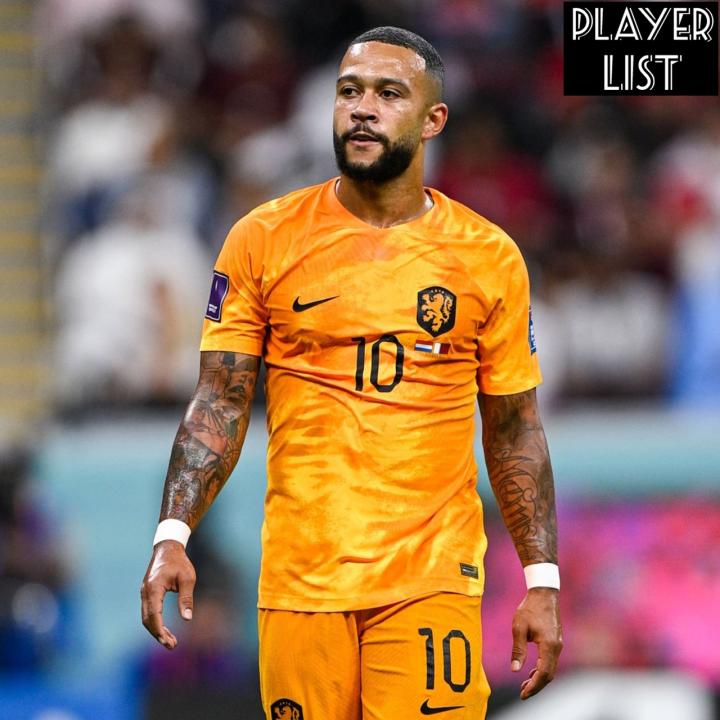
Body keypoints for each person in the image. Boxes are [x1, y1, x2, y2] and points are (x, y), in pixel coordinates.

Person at [141, 26, 562, 720]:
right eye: (349, 91)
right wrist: (172, 536)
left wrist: (541, 578)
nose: (363, 108)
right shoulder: (262, 239)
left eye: (389, 94)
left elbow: (516, 428)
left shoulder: (488, 258)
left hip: (431, 577)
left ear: (433, 120)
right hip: (301, 581)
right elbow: (219, 401)